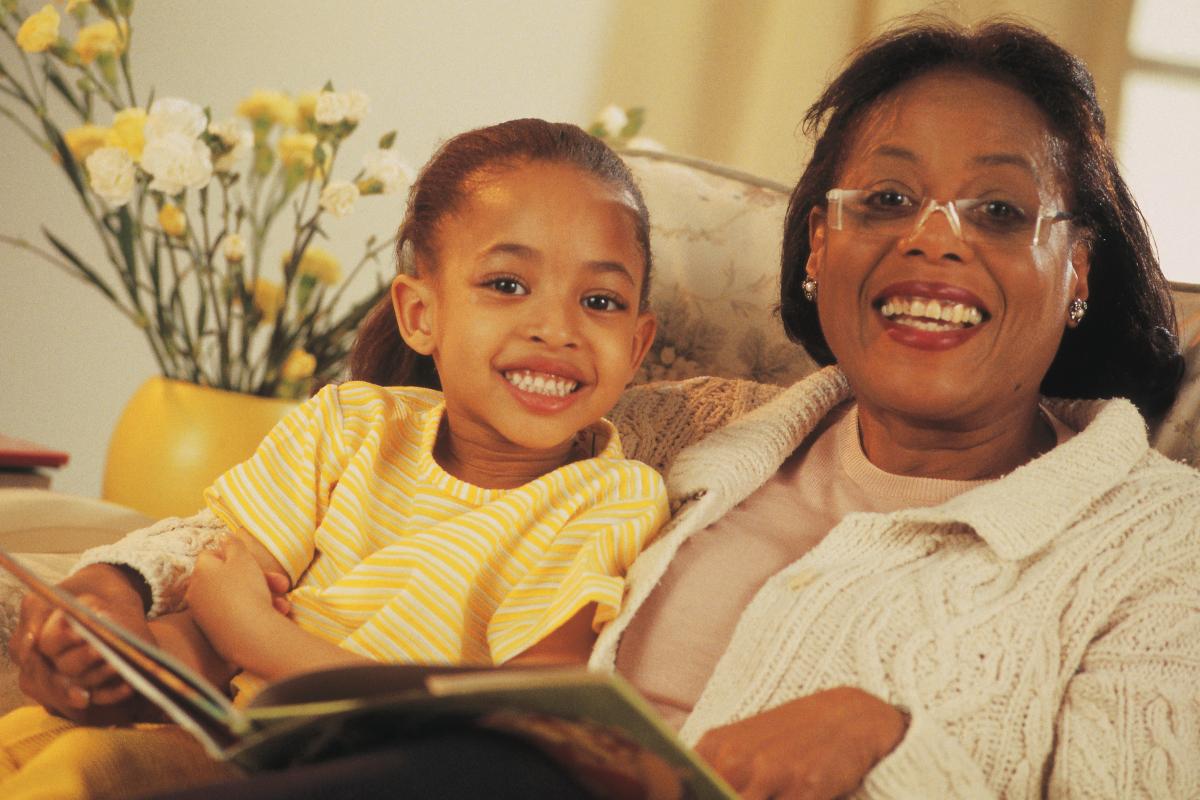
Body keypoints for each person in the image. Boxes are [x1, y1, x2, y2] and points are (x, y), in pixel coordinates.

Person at [11, 17, 1200, 800]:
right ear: (819, 246)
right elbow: (297, 514)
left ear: (1079, 268)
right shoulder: (670, 425)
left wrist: (894, 738)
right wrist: (124, 589)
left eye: (999, 211)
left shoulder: (1160, 547)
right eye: (886, 197)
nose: (936, 241)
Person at [0, 118, 666, 798]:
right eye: (506, 285)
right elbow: (209, 624)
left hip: (352, 776)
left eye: (600, 301)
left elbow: (528, 713)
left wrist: (263, 643)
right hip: (206, 741)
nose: (556, 329)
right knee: (40, 749)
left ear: (637, 345)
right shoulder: (347, 424)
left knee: (83, 775)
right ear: (419, 314)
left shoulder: (608, 497)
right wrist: (114, 674)